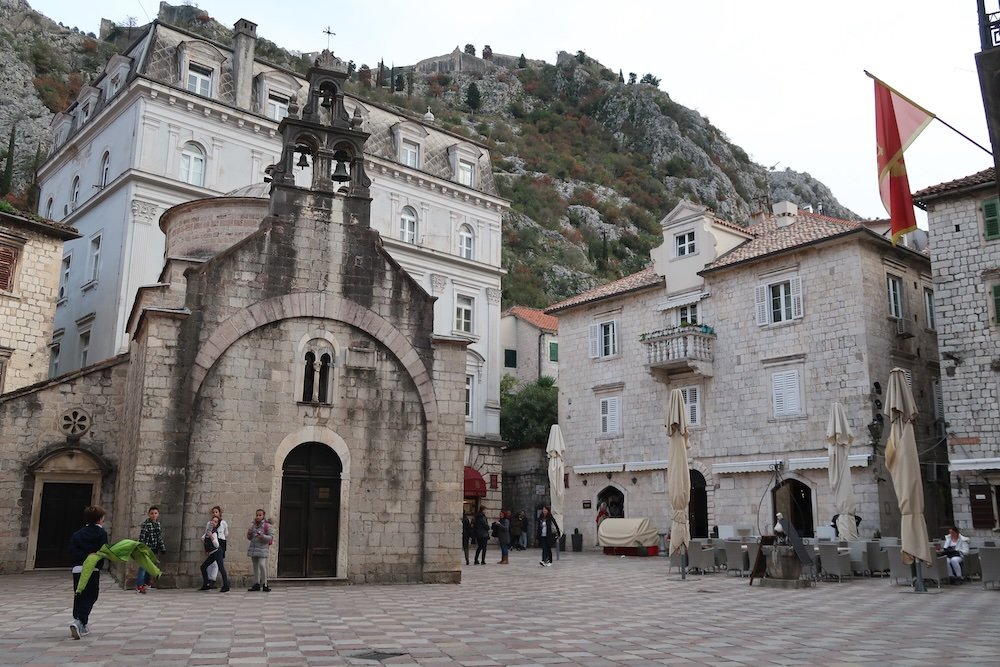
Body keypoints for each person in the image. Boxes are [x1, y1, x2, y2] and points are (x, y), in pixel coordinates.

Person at [68, 505, 109, 639]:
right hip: (92, 568)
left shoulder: (77, 534)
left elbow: (72, 550)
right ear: (100, 519)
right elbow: (102, 550)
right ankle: (79, 621)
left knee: (79, 594)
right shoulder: (101, 533)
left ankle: (81, 623)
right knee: (91, 595)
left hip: (77, 568)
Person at [135, 505, 166, 593]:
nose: (154, 515)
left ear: (158, 514)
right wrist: (141, 548)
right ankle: (139, 585)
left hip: (154, 548)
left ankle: (146, 583)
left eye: (155, 513)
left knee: (150, 566)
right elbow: (142, 537)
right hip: (146, 549)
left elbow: (159, 537)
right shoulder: (146, 524)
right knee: (143, 567)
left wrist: (162, 547)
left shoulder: (158, 524)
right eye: (152, 513)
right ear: (149, 514)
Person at [198, 516, 229, 592]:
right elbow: (204, 537)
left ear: (217, 524)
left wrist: (211, 537)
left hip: (218, 552)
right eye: (212, 521)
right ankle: (206, 584)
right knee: (203, 567)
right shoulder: (209, 531)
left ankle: (226, 586)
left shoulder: (214, 533)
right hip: (213, 552)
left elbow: (217, 545)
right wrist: (203, 540)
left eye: (215, 522)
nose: (213, 522)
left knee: (221, 568)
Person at [247, 509, 274, 591]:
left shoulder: (267, 526)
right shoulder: (253, 525)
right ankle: (256, 583)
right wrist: (249, 533)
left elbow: (271, 537)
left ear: (263, 516)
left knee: (262, 565)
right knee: (255, 567)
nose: (258, 517)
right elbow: (249, 538)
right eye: (257, 515)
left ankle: (265, 584)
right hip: (254, 548)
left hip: (262, 548)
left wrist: (263, 536)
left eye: (260, 515)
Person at [204, 505, 229, 589]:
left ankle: (215, 581)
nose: (215, 513)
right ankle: (209, 581)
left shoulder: (223, 523)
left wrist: (218, 537)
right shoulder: (209, 524)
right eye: (213, 512)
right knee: (210, 564)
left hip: (220, 542)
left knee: (219, 564)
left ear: (219, 513)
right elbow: (206, 533)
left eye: (216, 512)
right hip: (212, 543)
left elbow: (226, 533)